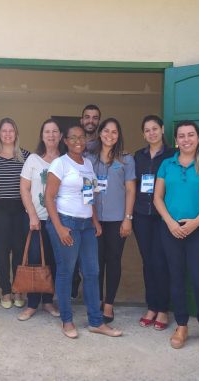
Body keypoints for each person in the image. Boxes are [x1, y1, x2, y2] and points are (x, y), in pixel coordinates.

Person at [45, 125, 122, 338]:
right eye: (73, 137)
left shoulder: (87, 164)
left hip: (87, 225)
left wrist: (95, 221)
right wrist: (59, 228)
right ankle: (67, 321)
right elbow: (48, 198)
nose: (78, 141)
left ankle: (96, 322)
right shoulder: (60, 164)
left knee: (92, 272)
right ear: (65, 141)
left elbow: (90, 196)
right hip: (66, 222)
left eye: (81, 137)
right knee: (66, 272)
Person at [153, 120, 199, 350]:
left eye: (191, 135)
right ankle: (181, 325)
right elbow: (157, 198)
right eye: (181, 136)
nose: (186, 139)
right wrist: (171, 223)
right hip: (171, 229)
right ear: (176, 140)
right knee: (176, 278)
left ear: (198, 138)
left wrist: (196, 223)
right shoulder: (167, 164)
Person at [86, 118, 135, 323]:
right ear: (100, 133)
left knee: (113, 260)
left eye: (114, 132)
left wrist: (128, 218)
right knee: (95, 262)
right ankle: (96, 300)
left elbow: (130, 190)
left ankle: (108, 304)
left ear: (118, 135)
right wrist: (92, 218)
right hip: (94, 219)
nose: (110, 135)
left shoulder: (126, 160)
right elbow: (87, 190)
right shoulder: (89, 159)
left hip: (117, 220)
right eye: (106, 131)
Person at [17, 118, 64, 321]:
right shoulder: (33, 160)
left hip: (59, 221)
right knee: (35, 260)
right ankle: (32, 303)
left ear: (60, 136)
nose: (51, 135)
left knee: (53, 260)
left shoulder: (65, 160)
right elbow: (24, 188)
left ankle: (48, 301)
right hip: (37, 219)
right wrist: (32, 215)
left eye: (55, 131)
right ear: (42, 136)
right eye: (47, 131)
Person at [132, 115, 175, 330]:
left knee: (161, 262)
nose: (152, 133)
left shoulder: (172, 155)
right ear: (143, 134)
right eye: (147, 130)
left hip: (163, 216)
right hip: (141, 215)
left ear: (162, 129)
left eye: (155, 128)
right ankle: (152, 306)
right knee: (147, 262)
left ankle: (163, 309)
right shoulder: (138, 156)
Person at [0, 118, 30, 309]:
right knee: (2, 250)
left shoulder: (26, 156)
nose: (8, 134)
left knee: (19, 250)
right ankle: (5, 290)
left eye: (11, 130)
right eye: (4, 131)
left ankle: (18, 289)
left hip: (20, 208)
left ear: (16, 133)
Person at [71, 104, 102, 297]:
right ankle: (73, 286)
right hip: (75, 207)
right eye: (87, 117)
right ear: (81, 120)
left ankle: (95, 294)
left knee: (93, 256)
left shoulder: (104, 143)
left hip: (98, 206)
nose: (91, 121)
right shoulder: (73, 144)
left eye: (95, 117)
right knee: (72, 253)